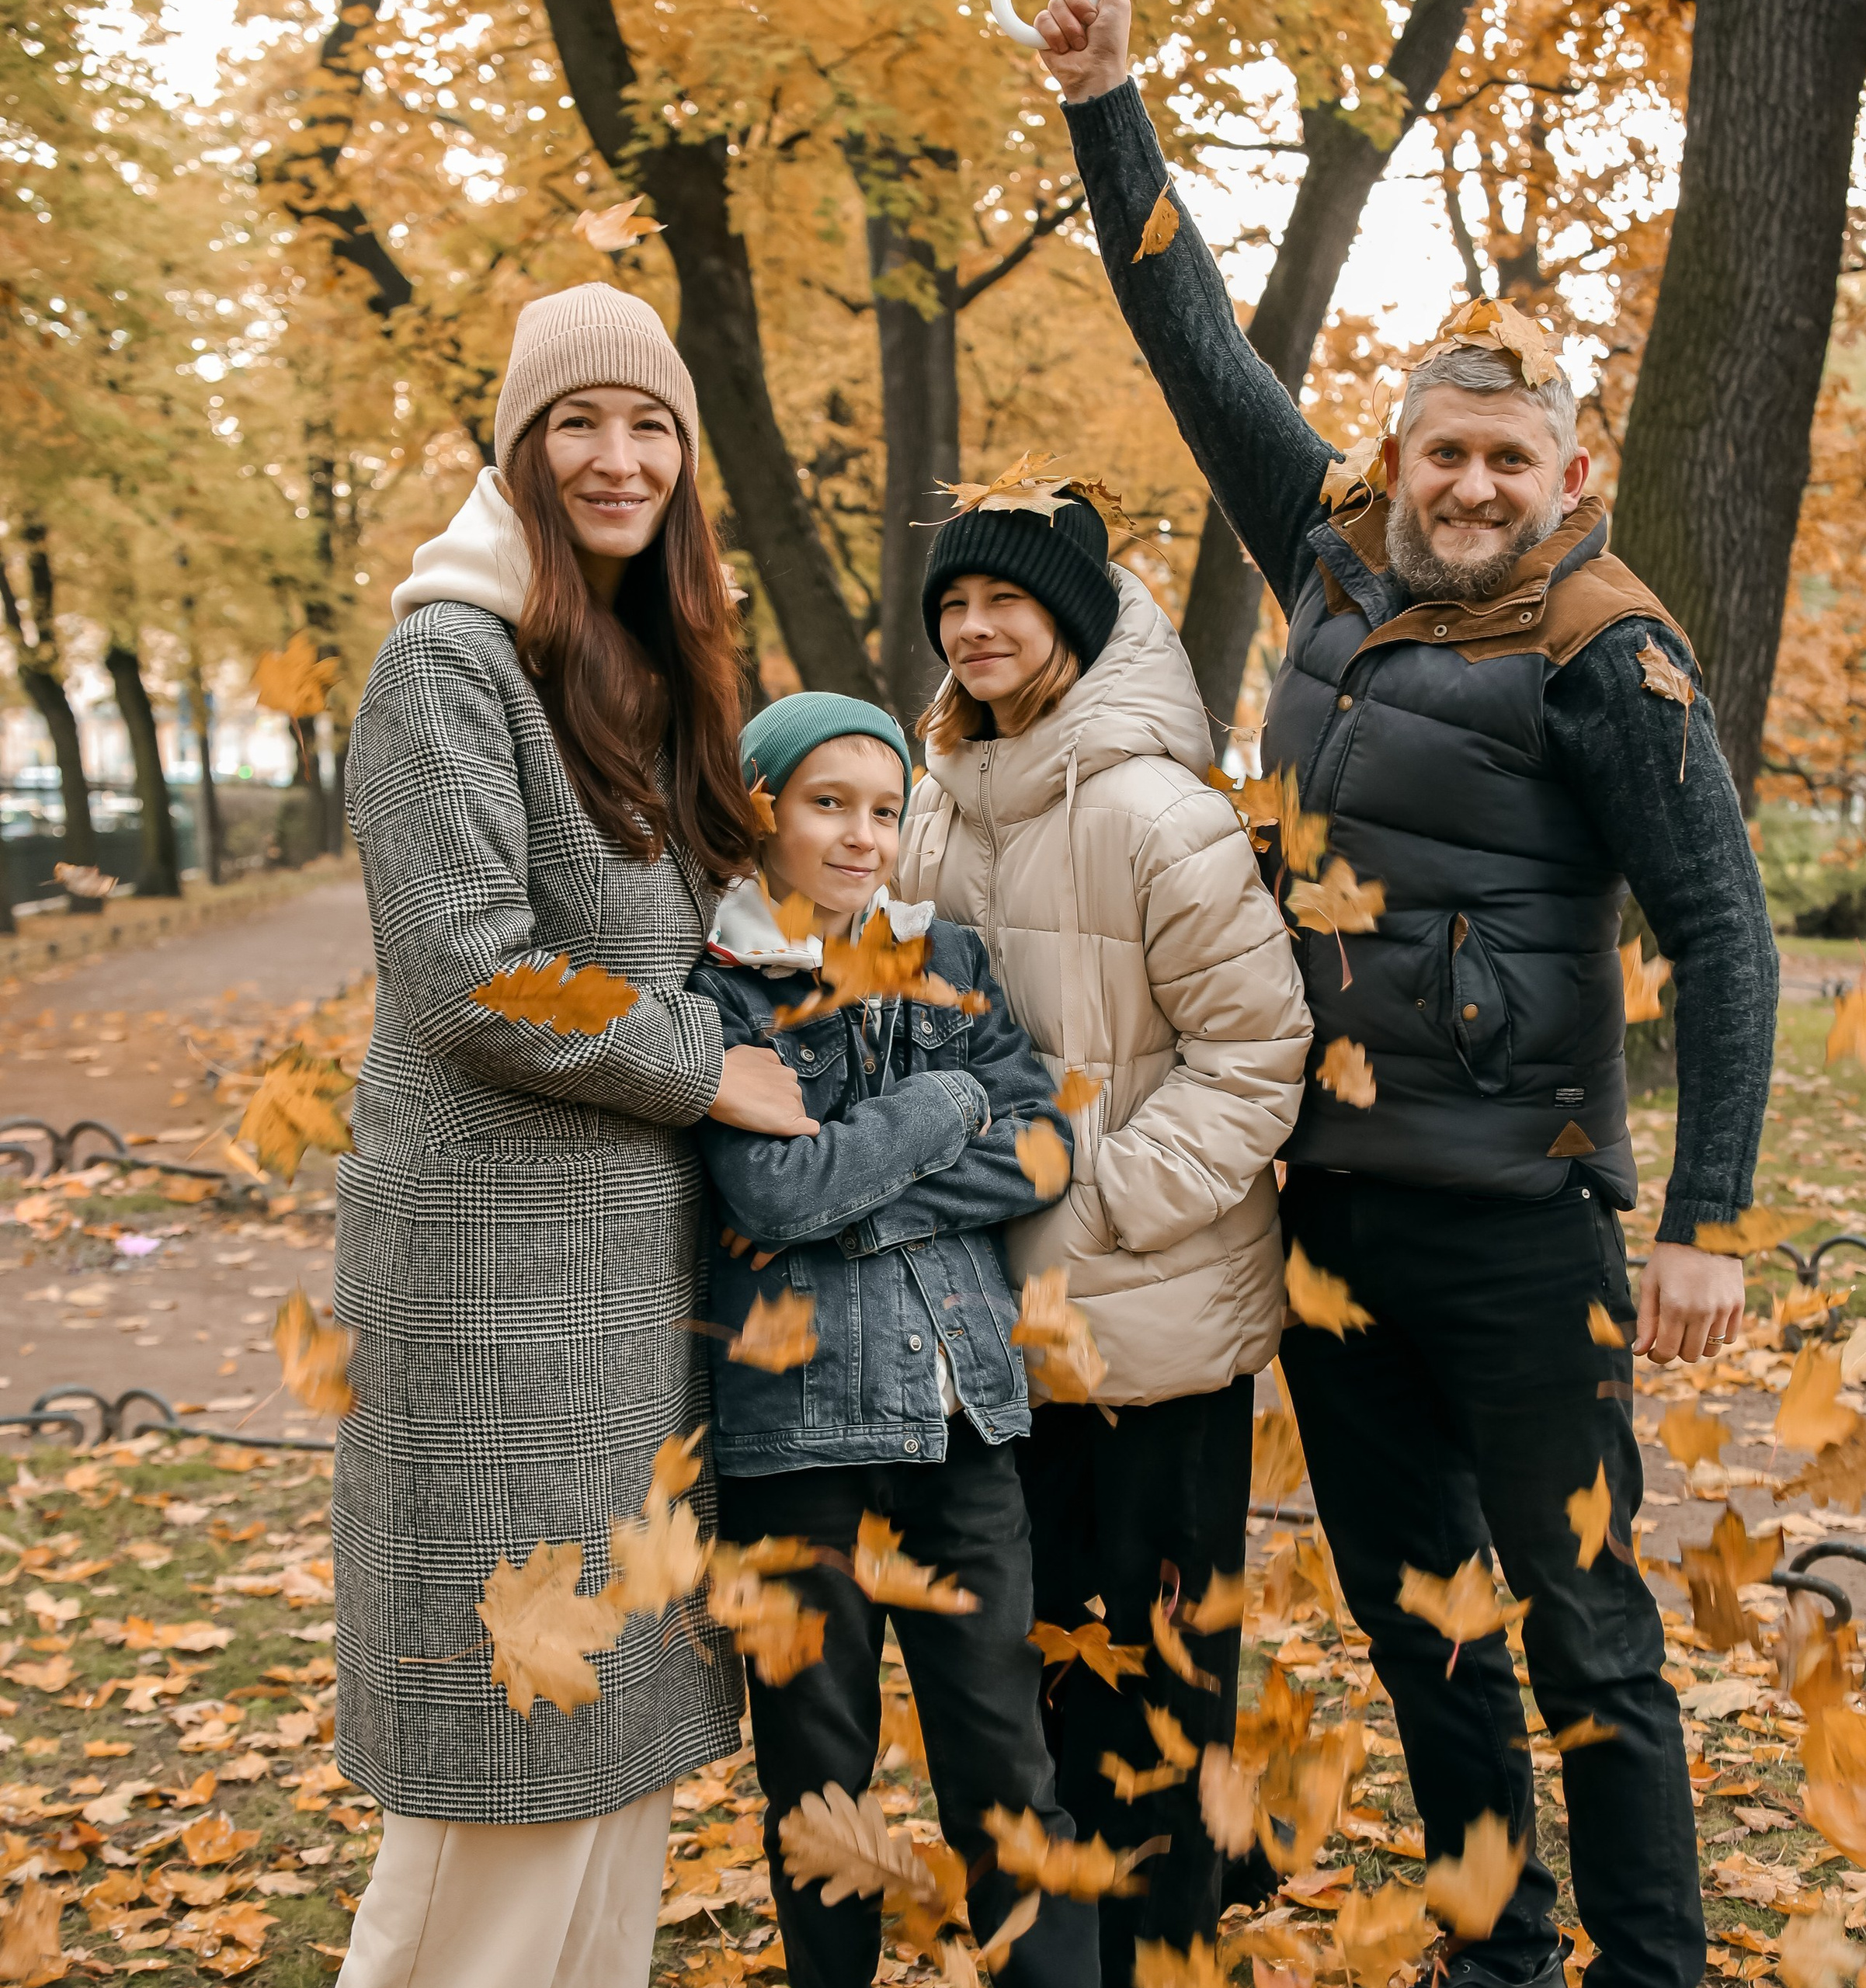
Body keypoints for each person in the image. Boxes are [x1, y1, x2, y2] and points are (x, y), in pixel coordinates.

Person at [1030, 8, 1781, 1988]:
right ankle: (1492, 1949)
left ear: (1566, 474)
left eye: (1503, 459)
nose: (1466, 484)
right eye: (1439, 449)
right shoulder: (1330, 556)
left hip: (1524, 1227)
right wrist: (1110, 108)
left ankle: (1649, 1963)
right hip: (1337, 1218)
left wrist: (1704, 1217)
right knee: (1420, 1622)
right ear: (1398, 454)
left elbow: (1723, 929)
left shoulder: (1607, 651)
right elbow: (1196, 348)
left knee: (1583, 1620)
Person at [333, 282, 815, 1988]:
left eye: (651, 426)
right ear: (522, 448)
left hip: (624, 1260)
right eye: (578, 423)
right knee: (505, 1731)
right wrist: (707, 1069)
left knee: (601, 1714)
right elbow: (471, 969)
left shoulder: (622, 652)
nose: (618, 457)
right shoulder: (446, 655)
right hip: (489, 1264)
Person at [895, 482, 1312, 1983]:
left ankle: (1165, 1949)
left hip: (1151, 1320)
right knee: (1034, 1674)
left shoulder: (1157, 812)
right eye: (954, 606)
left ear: (1073, 621)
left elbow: (1258, 1060)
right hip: (987, 1328)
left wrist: (1094, 1201)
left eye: (1006, 602)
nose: (975, 627)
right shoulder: (936, 801)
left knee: (1159, 1680)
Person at [689, 691, 1100, 1988]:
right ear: (762, 814)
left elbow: (1042, 1148)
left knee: (1008, 1767)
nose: (863, 836)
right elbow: (767, 1195)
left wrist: (850, 1202)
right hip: (794, 1439)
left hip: (963, 1419)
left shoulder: (954, 961)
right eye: (827, 806)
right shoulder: (717, 988)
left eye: (885, 809)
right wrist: (948, 1097)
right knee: (819, 1780)